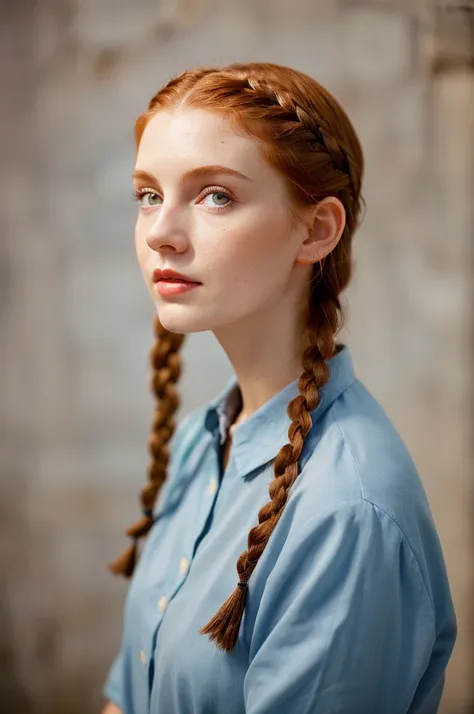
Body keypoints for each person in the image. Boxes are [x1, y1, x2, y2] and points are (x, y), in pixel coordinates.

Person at [101, 62, 457, 714]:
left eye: (215, 196)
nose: (159, 232)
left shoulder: (348, 513)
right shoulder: (200, 446)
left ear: (317, 229)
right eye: (148, 195)